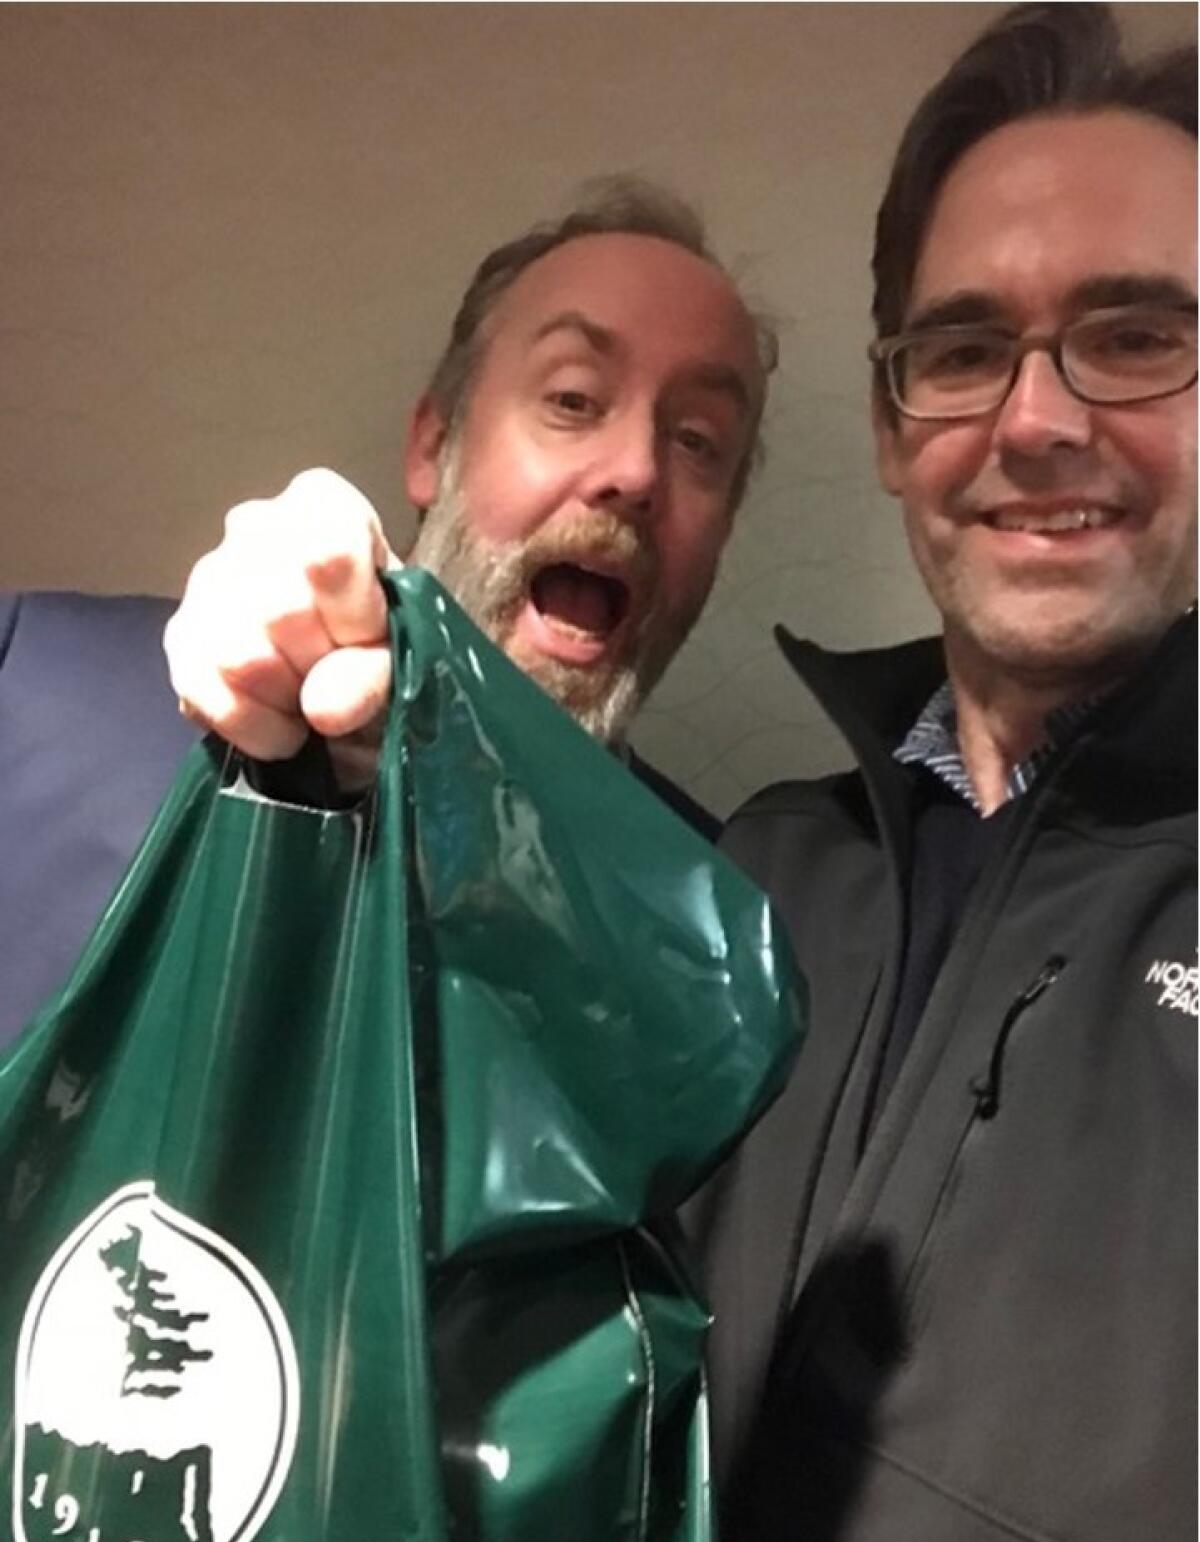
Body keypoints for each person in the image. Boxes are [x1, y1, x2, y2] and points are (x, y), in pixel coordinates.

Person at [687, 5, 1197, 1542]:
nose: (1037, 421)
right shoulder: (742, 875)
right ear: (898, 425)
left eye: (1134, 335)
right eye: (967, 350)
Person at [0, 177, 775, 1052]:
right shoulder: (32, 684)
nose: (636, 471)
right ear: (433, 446)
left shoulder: (712, 952)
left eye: (698, 441)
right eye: (573, 399)